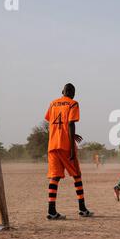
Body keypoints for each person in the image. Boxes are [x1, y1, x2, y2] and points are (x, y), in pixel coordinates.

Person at [44, 83, 93, 220]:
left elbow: (52, 121)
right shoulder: (73, 104)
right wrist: (72, 146)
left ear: (62, 91)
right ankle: (82, 209)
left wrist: (66, 134)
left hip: (52, 145)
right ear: (73, 93)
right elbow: (70, 123)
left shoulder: (53, 104)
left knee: (55, 177)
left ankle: (51, 211)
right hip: (66, 145)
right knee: (77, 175)